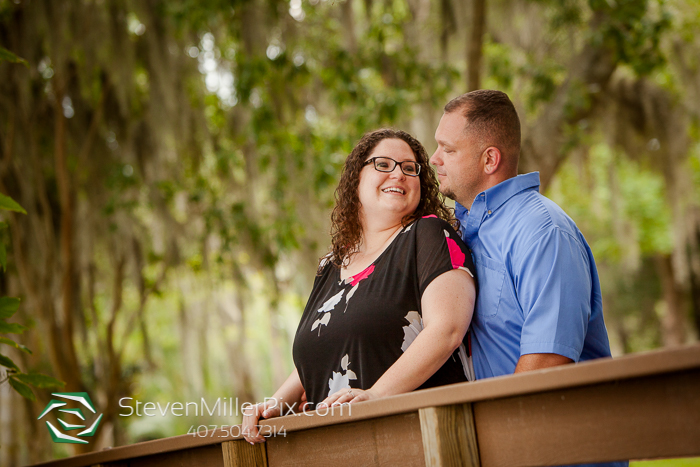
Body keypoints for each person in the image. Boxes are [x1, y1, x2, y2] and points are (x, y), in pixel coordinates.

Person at [242, 128, 477, 444]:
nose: (399, 174)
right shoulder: (331, 264)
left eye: (410, 168)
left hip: (418, 440)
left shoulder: (429, 236)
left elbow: (446, 330)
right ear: (356, 179)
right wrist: (275, 402)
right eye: (383, 164)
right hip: (333, 448)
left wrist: (375, 395)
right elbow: (325, 345)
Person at [431, 90, 626, 467]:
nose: (435, 159)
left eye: (448, 149)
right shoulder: (465, 230)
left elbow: (549, 357)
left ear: (490, 159)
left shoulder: (542, 230)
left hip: (558, 453)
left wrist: (503, 443)